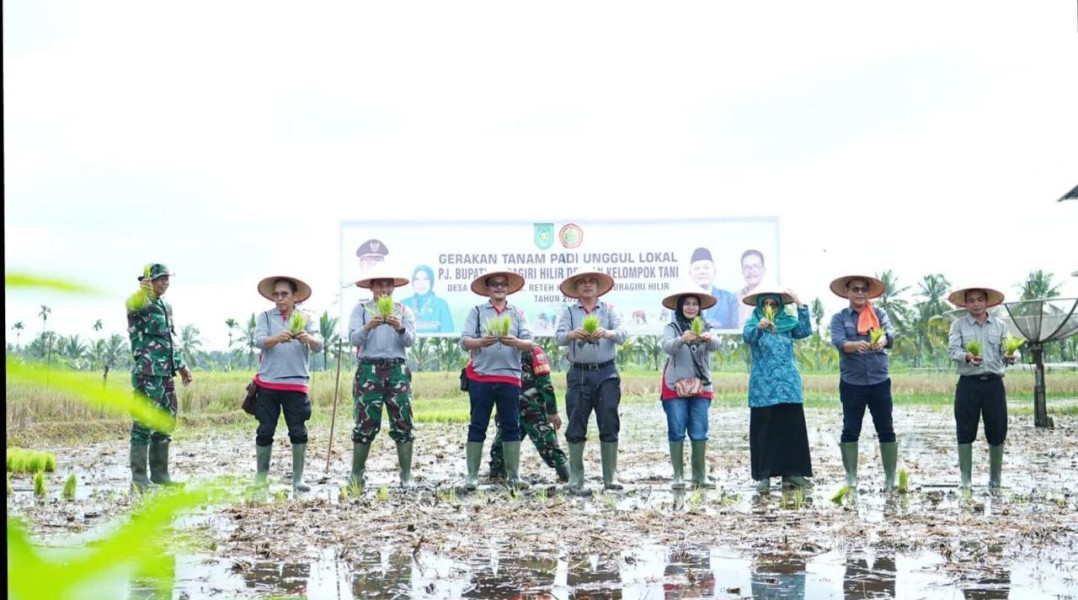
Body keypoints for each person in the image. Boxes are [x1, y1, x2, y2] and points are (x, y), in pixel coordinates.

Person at [555, 270, 629, 494]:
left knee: (609, 418)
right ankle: (576, 477)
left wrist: (606, 333)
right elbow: (559, 338)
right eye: (582, 282)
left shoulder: (609, 311)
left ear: (598, 287)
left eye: (591, 282)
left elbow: (623, 333)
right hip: (578, 374)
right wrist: (571, 335)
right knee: (576, 420)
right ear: (576, 289)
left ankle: (610, 476)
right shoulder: (568, 312)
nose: (587, 285)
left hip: (606, 373)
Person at [460, 269, 534, 490]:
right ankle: (472, 476)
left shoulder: (518, 313)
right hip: (481, 377)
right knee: (477, 425)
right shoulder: (477, 312)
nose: (499, 287)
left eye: (503, 284)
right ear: (488, 288)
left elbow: (529, 343)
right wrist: (482, 341)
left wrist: (516, 342)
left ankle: (514, 476)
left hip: (510, 376)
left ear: (508, 288)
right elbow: (465, 342)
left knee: (511, 425)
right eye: (494, 284)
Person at [347, 265, 417, 490]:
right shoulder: (361, 310)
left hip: (397, 370)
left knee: (403, 422)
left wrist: (400, 329)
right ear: (371, 286)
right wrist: (369, 326)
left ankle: (406, 475)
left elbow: (410, 341)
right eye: (379, 284)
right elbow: (354, 339)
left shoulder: (403, 311)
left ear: (394, 287)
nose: (384, 289)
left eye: (389, 284)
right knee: (365, 423)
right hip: (369, 369)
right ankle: (357, 475)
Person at [251, 276, 322, 495]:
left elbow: (319, 345)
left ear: (295, 297)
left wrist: (307, 338)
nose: (280, 299)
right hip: (268, 383)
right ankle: (261, 479)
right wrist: (277, 338)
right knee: (265, 431)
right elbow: (258, 341)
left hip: (296, 383)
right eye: (276, 294)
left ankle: (298, 480)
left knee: (298, 432)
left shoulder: (308, 318)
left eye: (284, 294)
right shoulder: (265, 317)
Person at [125, 263, 193, 492]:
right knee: (143, 423)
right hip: (148, 373)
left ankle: (161, 476)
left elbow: (169, 339)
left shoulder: (165, 305)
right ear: (149, 281)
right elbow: (131, 304)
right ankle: (140, 480)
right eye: (160, 279)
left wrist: (182, 366)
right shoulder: (140, 303)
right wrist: (140, 292)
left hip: (165, 373)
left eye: (167, 279)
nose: (165, 282)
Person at [828, 274, 898, 492]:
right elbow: (839, 342)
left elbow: (890, 333)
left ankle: (889, 478)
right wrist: (854, 345)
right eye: (855, 289)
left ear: (868, 293)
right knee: (850, 428)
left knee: (886, 428)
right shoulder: (839, 318)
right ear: (847, 293)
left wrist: (884, 340)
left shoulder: (879, 314)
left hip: (879, 380)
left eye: (863, 290)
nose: (859, 293)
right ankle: (851, 477)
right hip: (852, 382)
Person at [741, 288, 813, 492]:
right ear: (760, 306)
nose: (770, 308)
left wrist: (799, 303)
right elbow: (748, 337)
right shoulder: (753, 323)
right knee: (764, 431)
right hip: (763, 386)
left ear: (780, 306)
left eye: (774, 304)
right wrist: (760, 328)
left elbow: (805, 331)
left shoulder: (787, 323)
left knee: (791, 429)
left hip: (788, 385)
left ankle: (793, 474)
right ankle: (763, 476)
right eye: (766, 304)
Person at [947, 286, 1015, 491]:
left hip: (994, 384)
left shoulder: (1000, 325)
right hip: (968, 384)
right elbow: (953, 350)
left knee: (997, 429)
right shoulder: (958, 325)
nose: (975, 304)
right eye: (971, 300)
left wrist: (1012, 356)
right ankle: (965, 480)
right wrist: (967, 357)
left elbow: (1008, 351)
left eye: (979, 300)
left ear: (987, 303)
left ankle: (995, 480)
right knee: (965, 430)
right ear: (965, 303)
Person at [660, 287, 721, 490]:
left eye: (695, 304)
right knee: (677, 430)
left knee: (700, 431)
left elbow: (717, 344)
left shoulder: (706, 326)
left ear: (699, 307)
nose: (691, 307)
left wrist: (708, 337)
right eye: (687, 304)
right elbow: (667, 346)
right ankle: (678, 476)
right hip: (674, 386)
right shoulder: (672, 327)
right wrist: (682, 339)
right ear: (680, 307)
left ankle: (700, 475)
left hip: (701, 385)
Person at [488, 345, 569, 483]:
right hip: (508, 407)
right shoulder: (502, 351)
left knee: (549, 447)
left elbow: (545, 383)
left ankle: (569, 476)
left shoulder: (534, 352)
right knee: (499, 449)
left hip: (532, 410)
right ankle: (497, 477)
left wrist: (552, 411)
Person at [688, 247, 739, 329]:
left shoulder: (729, 299)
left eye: (706, 267)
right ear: (690, 273)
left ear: (714, 271)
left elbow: (735, 331)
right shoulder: (679, 301)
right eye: (697, 268)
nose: (702, 272)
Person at [399, 265, 454, 334]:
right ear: (413, 282)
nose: (421, 283)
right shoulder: (404, 304)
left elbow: (448, 335)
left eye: (425, 279)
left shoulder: (441, 304)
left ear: (431, 281)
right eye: (417, 279)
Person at [735, 250, 767, 326]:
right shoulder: (735, 298)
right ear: (742, 272)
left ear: (763, 270)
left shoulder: (775, 296)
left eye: (755, 266)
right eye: (746, 267)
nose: (751, 271)